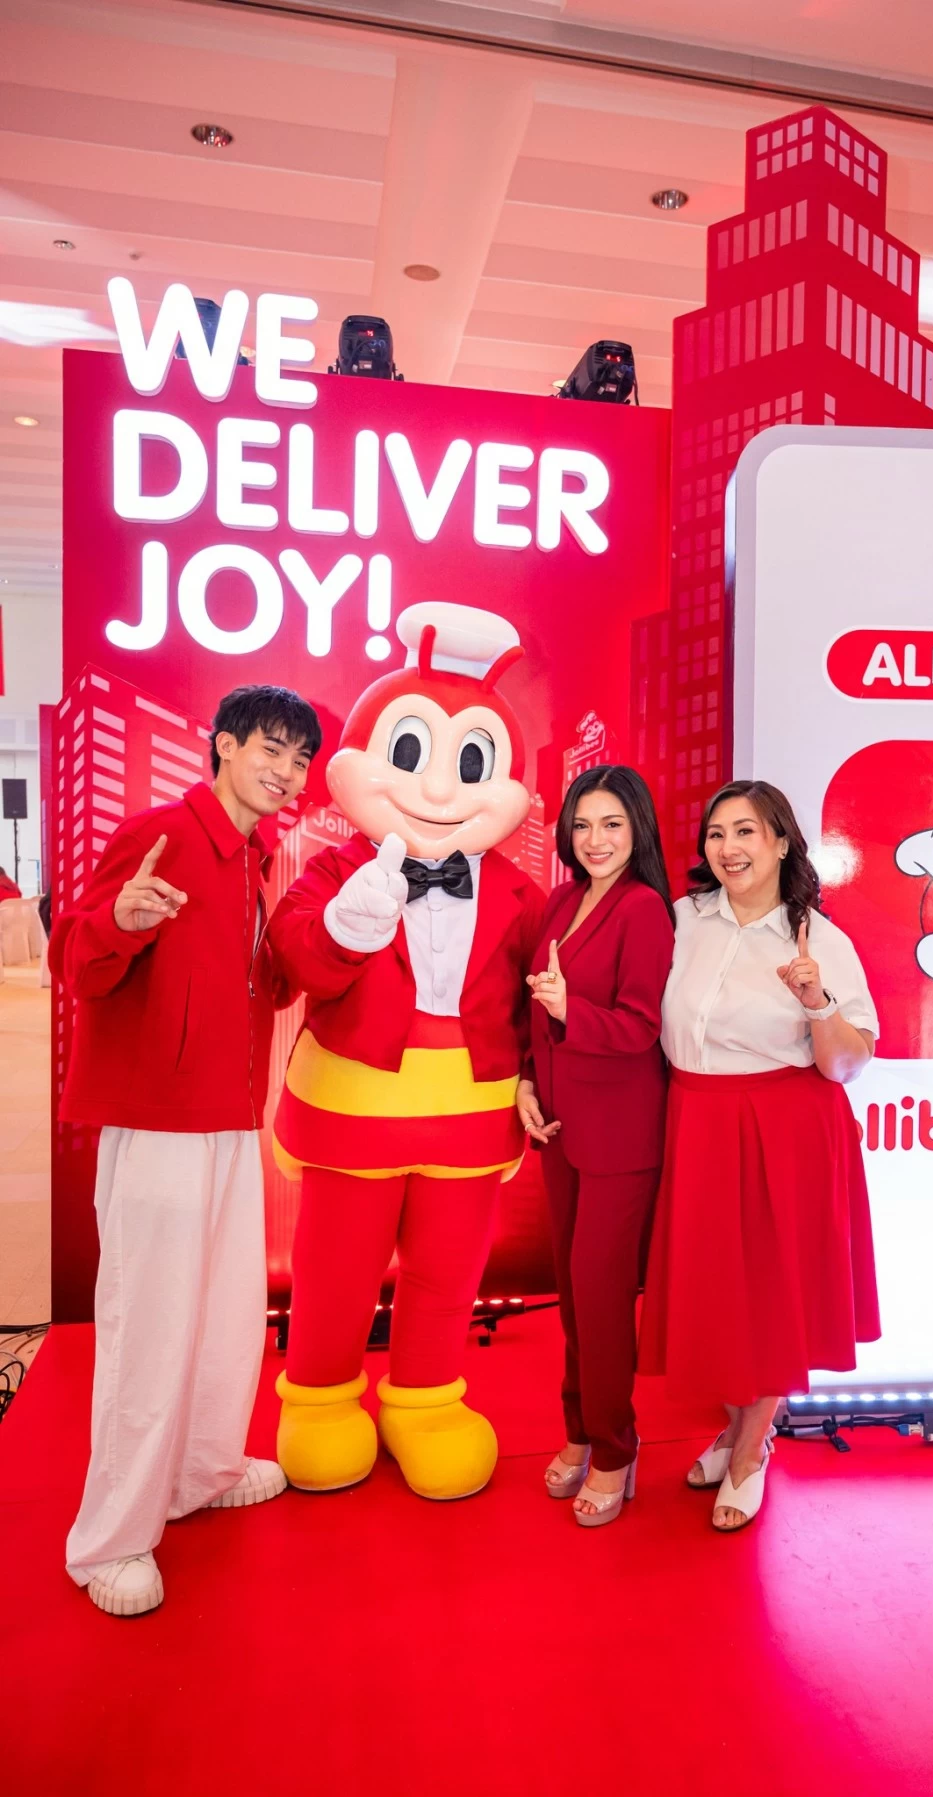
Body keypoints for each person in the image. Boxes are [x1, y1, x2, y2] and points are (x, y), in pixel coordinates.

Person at [51, 684, 321, 1616]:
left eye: (298, 758)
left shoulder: (256, 856)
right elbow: (72, 956)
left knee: (227, 1313)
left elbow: (257, 986)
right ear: (223, 744)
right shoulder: (158, 833)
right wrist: (121, 919)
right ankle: (110, 1541)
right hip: (161, 1119)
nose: (284, 771)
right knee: (148, 1327)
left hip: (227, 1119)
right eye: (270, 749)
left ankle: (200, 1468)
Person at [268, 602, 544, 1503]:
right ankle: (317, 1397)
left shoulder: (518, 889)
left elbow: (539, 995)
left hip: (470, 1117)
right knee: (336, 1265)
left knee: (448, 1272)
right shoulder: (333, 863)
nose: (437, 789)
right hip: (356, 1112)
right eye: (412, 753)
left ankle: (424, 1396)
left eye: (470, 763)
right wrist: (346, 927)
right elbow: (291, 952)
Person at [640, 779, 880, 1533]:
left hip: (785, 1122)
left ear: (781, 842)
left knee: (772, 1284)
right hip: (697, 1115)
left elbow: (847, 1063)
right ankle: (738, 1424)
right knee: (720, 1283)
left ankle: (751, 1447)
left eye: (747, 831)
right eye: (717, 833)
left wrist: (816, 1001)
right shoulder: (683, 919)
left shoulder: (820, 938)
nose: (729, 847)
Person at [521, 766, 674, 1528]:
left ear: (637, 828)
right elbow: (537, 1012)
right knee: (576, 1302)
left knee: (603, 1298)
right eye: (583, 824)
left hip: (621, 1134)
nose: (596, 839)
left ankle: (616, 1447)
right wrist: (525, 1081)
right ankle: (581, 1427)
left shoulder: (644, 910)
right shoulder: (561, 899)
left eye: (612, 823)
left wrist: (570, 1008)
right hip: (559, 1125)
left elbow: (642, 1026)